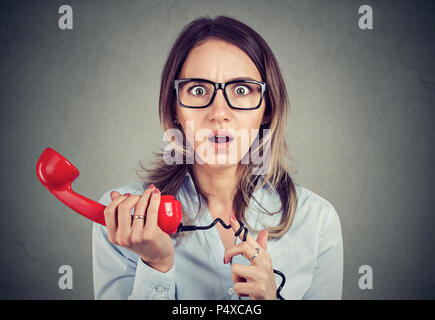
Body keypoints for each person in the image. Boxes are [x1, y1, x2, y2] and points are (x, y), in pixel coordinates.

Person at [92, 15, 343, 300]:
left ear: (268, 108)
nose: (219, 113)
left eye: (241, 89)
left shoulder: (318, 222)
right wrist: (156, 268)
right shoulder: (122, 217)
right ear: (175, 108)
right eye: (198, 90)